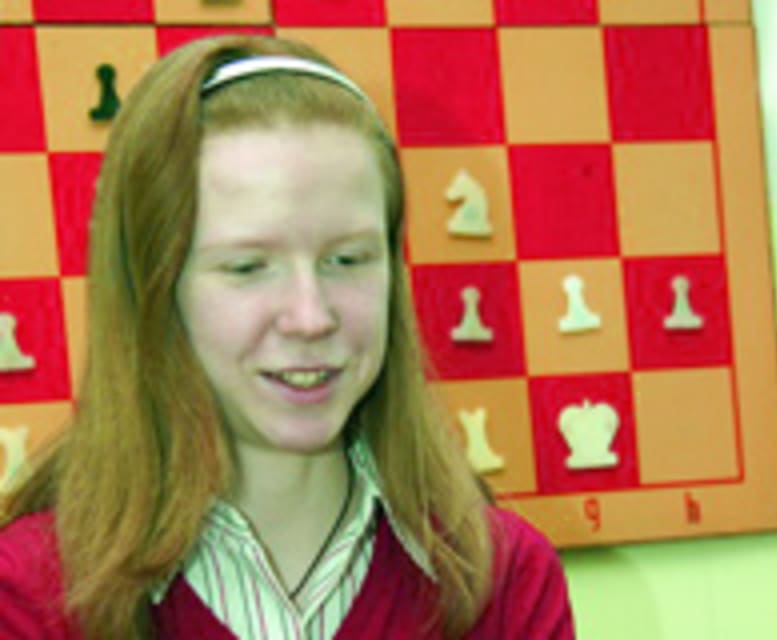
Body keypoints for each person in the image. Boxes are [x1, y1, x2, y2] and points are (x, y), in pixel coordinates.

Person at [0, 35, 575, 639]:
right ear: (155, 290)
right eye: (248, 267)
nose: (311, 317)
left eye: (348, 260)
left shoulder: (503, 579)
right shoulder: (29, 596)